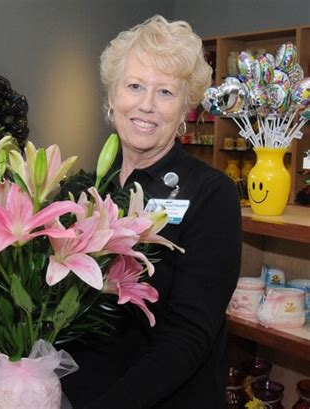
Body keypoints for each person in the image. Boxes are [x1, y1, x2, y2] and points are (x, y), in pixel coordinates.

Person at [62, 15, 242, 409]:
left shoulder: (212, 195)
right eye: (134, 86)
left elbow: (189, 335)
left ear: (185, 110)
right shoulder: (80, 191)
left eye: (165, 92)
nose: (146, 104)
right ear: (111, 98)